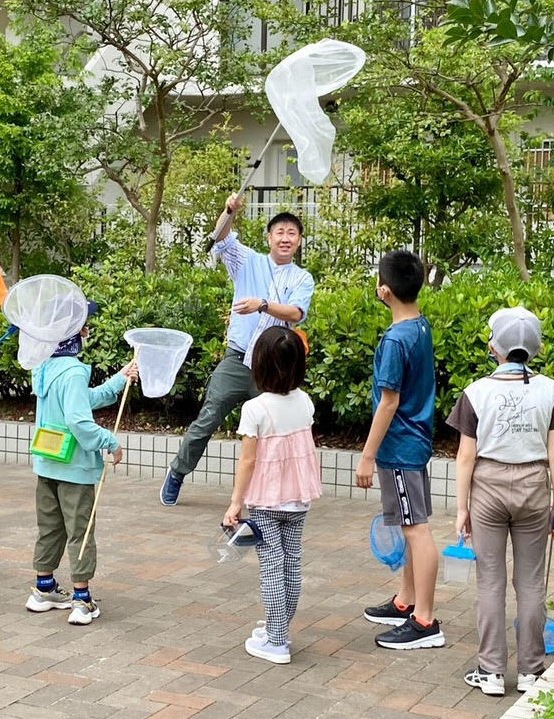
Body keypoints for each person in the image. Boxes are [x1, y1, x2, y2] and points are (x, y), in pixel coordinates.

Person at [160, 192, 315, 506]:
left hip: (272, 368)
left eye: (292, 233)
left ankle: (275, 492)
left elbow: (296, 313)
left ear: (298, 241)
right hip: (237, 357)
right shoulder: (249, 261)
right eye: (280, 232)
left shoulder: (302, 277)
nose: (285, 238)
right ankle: (177, 472)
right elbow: (221, 238)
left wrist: (263, 305)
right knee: (207, 418)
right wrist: (228, 210)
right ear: (269, 237)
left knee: (274, 431)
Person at [448, 307, 554, 696]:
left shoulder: (476, 391)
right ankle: (532, 671)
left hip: (488, 486)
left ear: (493, 347)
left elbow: (466, 456)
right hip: (535, 486)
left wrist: (462, 507)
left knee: (491, 580)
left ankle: (492, 672)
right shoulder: (550, 391)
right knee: (531, 581)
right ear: (535, 349)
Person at [24, 301, 138, 625]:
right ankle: (82, 600)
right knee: (80, 532)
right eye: (84, 324)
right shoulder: (73, 370)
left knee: (50, 528)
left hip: (47, 461)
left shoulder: (45, 366)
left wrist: (120, 379)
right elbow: (79, 420)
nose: (88, 329)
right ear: (75, 332)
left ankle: (43, 588)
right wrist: (110, 442)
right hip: (74, 467)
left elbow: (84, 401)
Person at [355, 250, 443, 650]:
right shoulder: (420, 326)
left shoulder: (395, 339)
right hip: (415, 442)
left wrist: (368, 455)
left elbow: (388, 401)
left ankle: (425, 622)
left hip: (401, 448)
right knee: (412, 527)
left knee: (416, 529)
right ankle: (406, 601)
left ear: (384, 291)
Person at [222, 326, 322, 664]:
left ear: (260, 366)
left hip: (266, 501)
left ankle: (277, 640)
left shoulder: (255, 409)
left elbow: (248, 460)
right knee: (291, 564)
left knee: (271, 568)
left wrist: (236, 502)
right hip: (298, 497)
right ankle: (278, 628)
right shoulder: (305, 402)